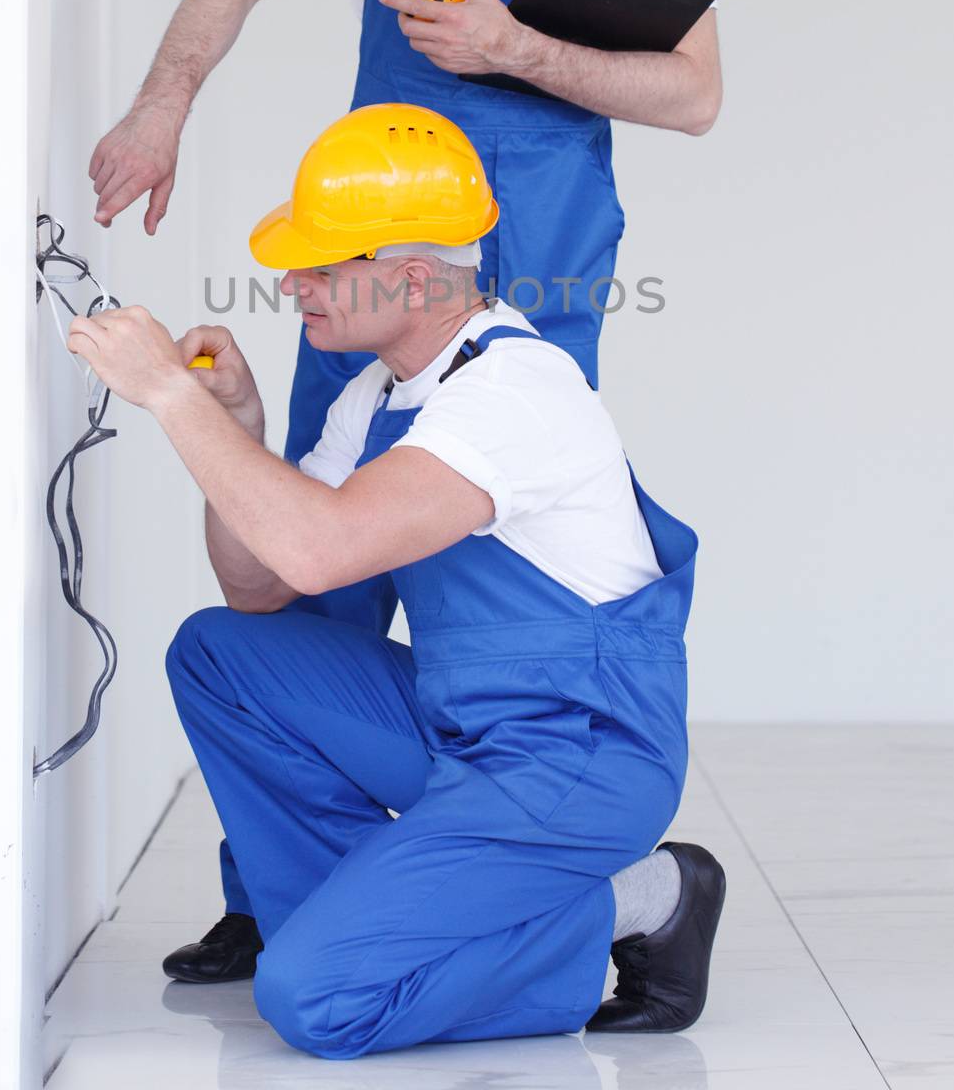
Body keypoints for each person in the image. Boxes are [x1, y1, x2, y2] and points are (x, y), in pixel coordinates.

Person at [88, 0, 724, 980]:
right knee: (304, 553)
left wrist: (513, 48)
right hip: (372, 251)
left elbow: (691, 91)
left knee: (496, 554)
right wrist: (163, 99)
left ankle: (545, 843)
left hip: (538, 266)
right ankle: (279, 887)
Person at [68, 104, 726, 1058]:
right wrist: (240, 432)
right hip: (462, 726)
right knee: (221, 653)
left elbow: (320, 553)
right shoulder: (376, 392)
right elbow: (259, 586)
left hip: (575, 759)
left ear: (412, 277)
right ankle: (363, 922)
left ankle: (641, 900)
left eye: (323, 267)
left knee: (317, 1003)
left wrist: (168, 397)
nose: (293, 285)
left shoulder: (512, 394)